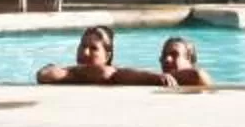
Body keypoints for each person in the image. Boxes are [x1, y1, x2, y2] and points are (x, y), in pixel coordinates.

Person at [35, 25, 167, 86]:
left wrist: (153, 78)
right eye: (82, 46)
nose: (85, 52)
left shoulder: (117, 74)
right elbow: (45, 75)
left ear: (108, 56)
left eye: (93, 49)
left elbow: (110, 73)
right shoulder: (69, 72)